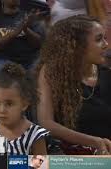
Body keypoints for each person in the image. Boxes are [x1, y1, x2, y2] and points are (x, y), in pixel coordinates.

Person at [36, 15, 111, 155]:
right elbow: (46, 123)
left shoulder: (107, 71)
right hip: (72, 154)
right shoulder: (52, 72)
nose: (106, 44)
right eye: (99, 39)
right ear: (77, 46)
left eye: (104, 38)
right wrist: (95, 142)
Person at [0, 63, 49, 155]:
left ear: (24, 104)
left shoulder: (35, 136)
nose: (2, 110)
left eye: (9, 104)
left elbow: (41, 166)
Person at [0, 0, 44, 74]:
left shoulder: (28, 16)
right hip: (2, 60)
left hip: (29, 59)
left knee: (42, 69)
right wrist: (18, 30)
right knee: (5, 75)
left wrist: (26, 29)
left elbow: (38, 43)